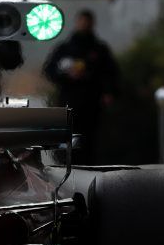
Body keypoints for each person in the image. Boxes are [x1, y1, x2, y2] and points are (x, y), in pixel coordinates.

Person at [43, 9, 119, 165]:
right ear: (77, 23)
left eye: (87, 22)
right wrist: (67, 75)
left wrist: (109, 92)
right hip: (69, 101)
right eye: (82, 21)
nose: (84, 25)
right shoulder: (65, 49)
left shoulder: (99, 49)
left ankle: (89, 167)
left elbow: (111, 73)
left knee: (90, 140)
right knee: (68, 139)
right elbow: (49, 70)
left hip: (92, 102)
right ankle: (67, 166)